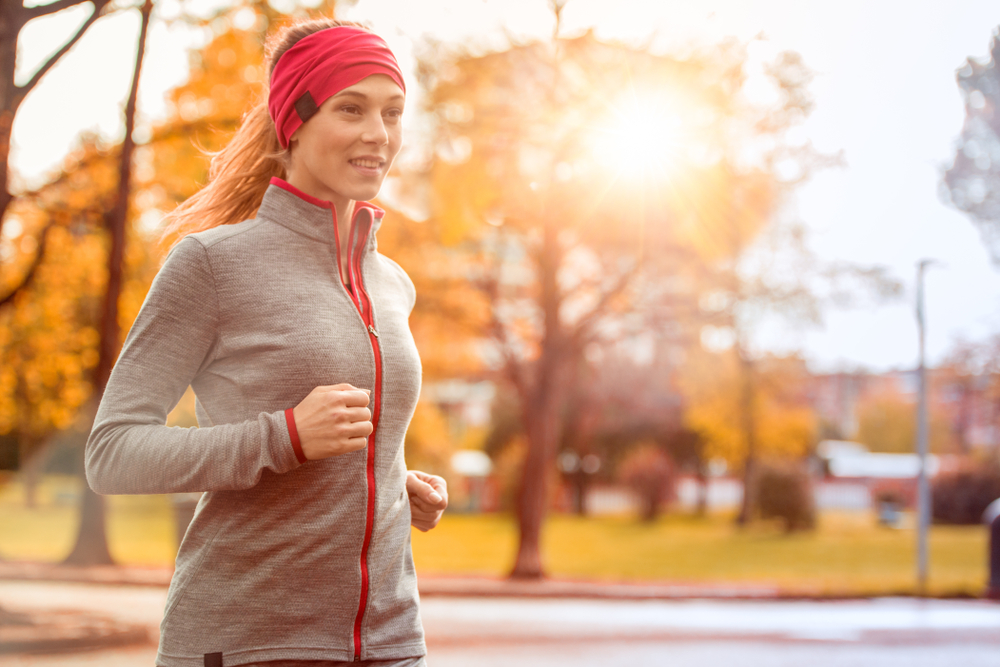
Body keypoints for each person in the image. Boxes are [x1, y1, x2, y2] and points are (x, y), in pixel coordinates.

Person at [85, 18, 446, 667]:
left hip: (392, 643)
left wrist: (391, 480)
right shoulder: (211, 265)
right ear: (294, 124)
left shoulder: (391, 282)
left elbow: (352, 446)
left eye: (393, 112)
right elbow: (113, 452)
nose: (379, 134)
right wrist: (282, 437)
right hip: (249, 640)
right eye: (351, 108)